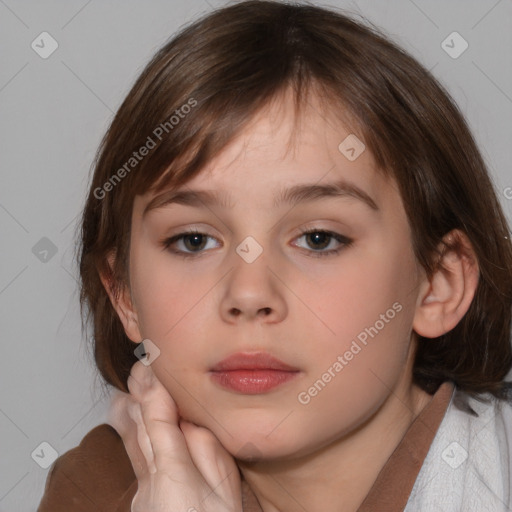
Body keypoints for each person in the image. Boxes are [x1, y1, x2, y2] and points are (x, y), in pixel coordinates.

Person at [37, 1, 512, 510]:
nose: (248, 294)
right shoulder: (98, 489)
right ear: (124, 293)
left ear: (439, 283)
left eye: (318, 239)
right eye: (193, 240)